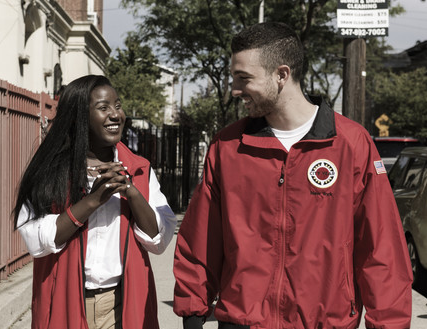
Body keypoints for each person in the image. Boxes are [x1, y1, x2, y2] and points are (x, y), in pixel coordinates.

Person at [173, 22, 412, 329]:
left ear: (281, 75)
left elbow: (381, 249)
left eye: (243, 78)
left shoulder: (351, 144)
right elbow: (201, 239)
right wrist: (193, 313)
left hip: (325, 323)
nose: (235, 89)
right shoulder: (227, 147)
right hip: (242, 322)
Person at [14, 74, 176, 329]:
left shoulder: (139, 169)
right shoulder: (48, 171)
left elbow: (159, 240)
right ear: (79, 118)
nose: (116, 115)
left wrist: (131, 193)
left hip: (122, 304)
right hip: (66, 302)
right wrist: (92, 201)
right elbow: (37, 239)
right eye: (103, 108)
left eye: (118, 106)